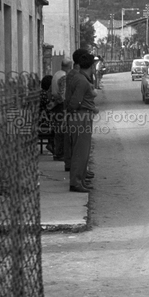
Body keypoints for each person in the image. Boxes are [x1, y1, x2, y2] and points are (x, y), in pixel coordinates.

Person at [65, 51, 97, 193]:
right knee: (81, 152)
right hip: (81, 117)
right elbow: (75, 102)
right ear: (90, 66)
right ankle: (76, 182)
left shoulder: (78, 77)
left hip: (81, 116)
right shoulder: (82, 81)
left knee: (82, 150)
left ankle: (80, 179)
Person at [49, 57, 72, 163]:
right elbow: (62, 94)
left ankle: (57, 152)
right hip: (60, 105)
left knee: (58, 130)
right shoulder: (64, 76)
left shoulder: (56, 74)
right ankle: (59, 153)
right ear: (69, 66)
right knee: (61, 130)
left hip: (55, 104)